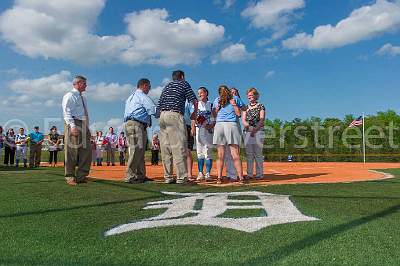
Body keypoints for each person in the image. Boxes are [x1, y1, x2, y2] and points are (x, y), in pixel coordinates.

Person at [156, 70, 198, 184]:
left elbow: (159, 105)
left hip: (162, 116)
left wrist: (159, 116)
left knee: (166, 148)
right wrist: (195, 113)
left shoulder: (167, 86)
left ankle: (168, 177)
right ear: (182, 76)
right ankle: (182, 177)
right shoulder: (184, 83)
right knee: (179, 146)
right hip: (174, 115)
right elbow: (194, 100)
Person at [124, 78, 156, 183]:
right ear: (144, 85)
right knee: (136, 150)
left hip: (132, 124)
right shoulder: (142, 96)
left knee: (140, 151)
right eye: (149, 86)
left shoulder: (131, 97)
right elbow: (153, 109)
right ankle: (130, 176)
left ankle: (140, 175)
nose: (150, 89)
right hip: (136, 124)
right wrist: (163, 112)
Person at [62, 75, 92, 186]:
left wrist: (87, 127)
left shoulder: (83, 98)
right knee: (72, 150)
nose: (86, 85)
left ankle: (81, 176)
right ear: (78, 83)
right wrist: (72, 126)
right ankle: (70, 176)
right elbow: (67, 111)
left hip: (83, 124)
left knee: (86, 151)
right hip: (74, 122)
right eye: (84, 83)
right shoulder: (70, 95)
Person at [213, 85, 245, 184]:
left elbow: (214, 115)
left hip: (219, 125)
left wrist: (217, 108)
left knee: (220, 155)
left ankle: (219, 178)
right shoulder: (234, 98)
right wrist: (234, 105)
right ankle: (241, 178)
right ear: (229, 91)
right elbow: (240, 113)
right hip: (231, 125)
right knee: (235, 154)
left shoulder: (216, 100)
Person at [242, 88, 265, 179]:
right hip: (247, 132)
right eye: (248, 95)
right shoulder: (245, 107)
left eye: (251, 95)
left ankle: (259, 174)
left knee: (258, 154)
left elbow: (262, 119)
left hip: (259, 131)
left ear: (256, 96)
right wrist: (249, 128)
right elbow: (243, 120)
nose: (249, 97)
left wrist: (255, 130)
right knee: (249, 154)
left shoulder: (261, 106)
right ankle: (249, 174)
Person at [194, 87, 215, 181]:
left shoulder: (211, 104)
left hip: (209, 130)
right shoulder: (196, 104)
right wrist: (193, 128)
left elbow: (215, 117)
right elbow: (193, 117)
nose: (199, 95)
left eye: (201, 93)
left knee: (208, 151)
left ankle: (207, 173)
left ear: (206, 93)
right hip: (199, 129)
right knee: (199, 152)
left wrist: (211, 125)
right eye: (198, 93)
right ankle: (200, 173)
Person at [184, 100, 196, 181]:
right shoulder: (175, 99)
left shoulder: (188, 102)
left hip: (187, 126)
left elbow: (193, 115)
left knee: (187, 151)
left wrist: (193, 128)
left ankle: (189, 174)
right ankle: (181, 173)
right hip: (176, 127)